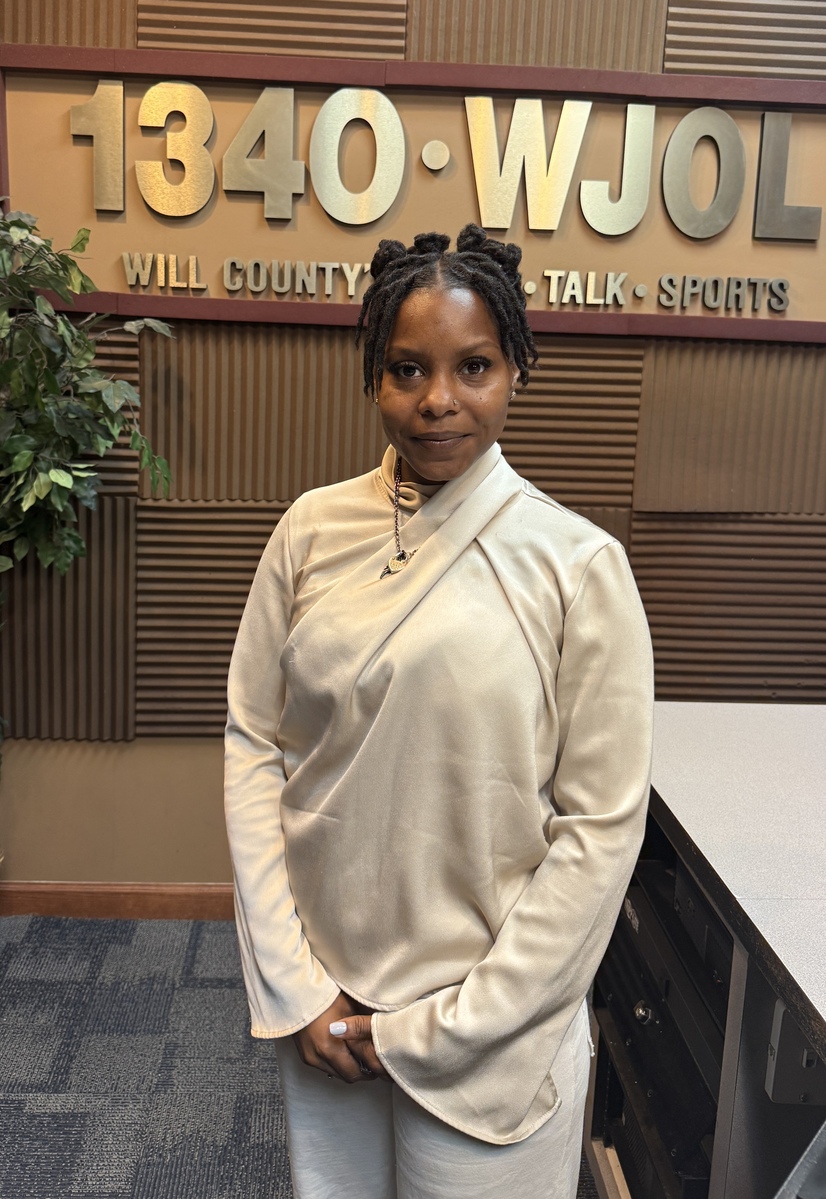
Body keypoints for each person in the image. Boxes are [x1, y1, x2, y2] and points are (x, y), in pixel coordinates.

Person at [224, 225, 654, 1198]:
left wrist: (458, 1025)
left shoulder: (577, 566)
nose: (437, 399)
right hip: (331, 1005)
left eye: (474, 366)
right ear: (374, 376)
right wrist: (296, 982)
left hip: (490, 1029)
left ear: (516, 371)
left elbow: (599, 829)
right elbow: (254, 742)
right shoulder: (308, 531)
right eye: (407, 368)